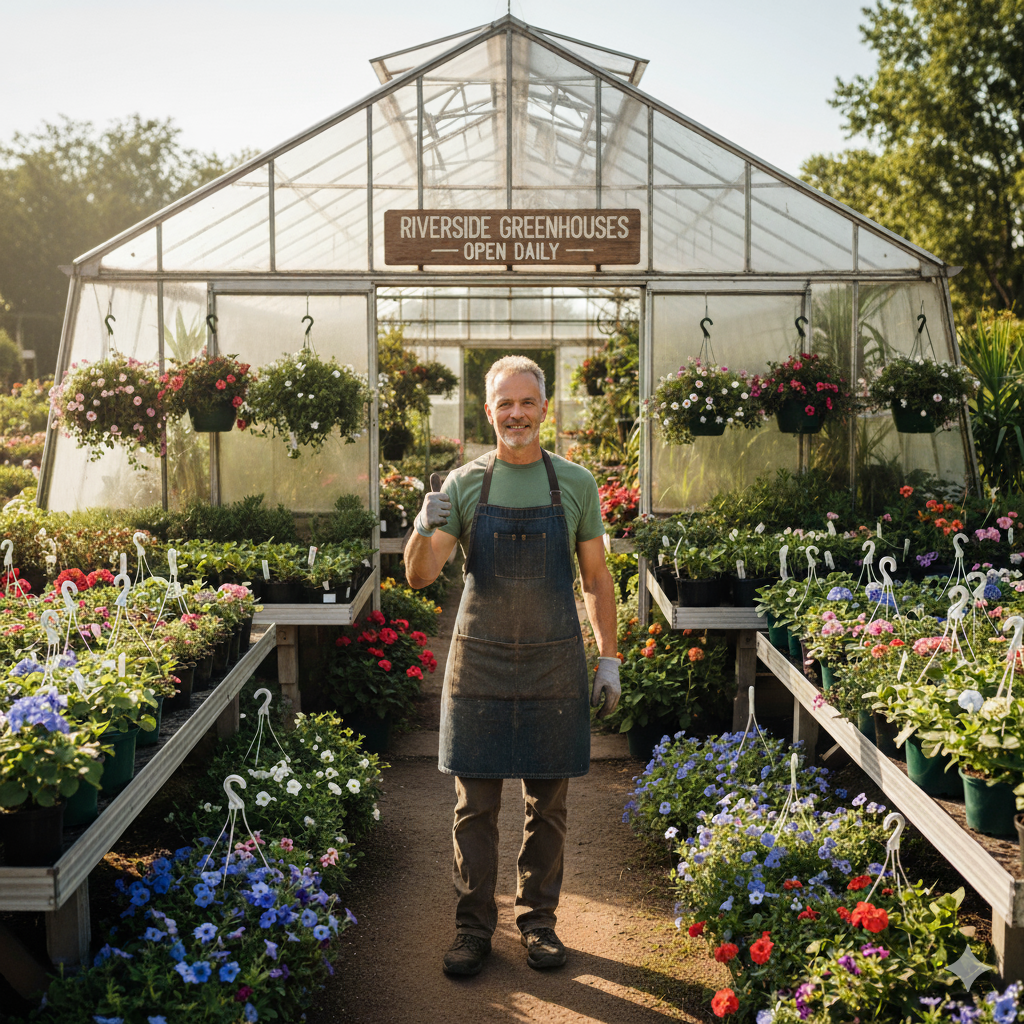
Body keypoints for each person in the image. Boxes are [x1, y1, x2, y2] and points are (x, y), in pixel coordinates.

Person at [404, 354, 621, 978]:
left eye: (527, 403)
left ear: (543, 409)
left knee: (547, 806)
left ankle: (538, 922)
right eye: (506, 404)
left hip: (554, 663)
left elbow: (596, 578)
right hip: (480, 663)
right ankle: (473, 929)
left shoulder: (575, 483)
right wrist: (422, 527)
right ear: (489, 410)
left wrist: (609, 657)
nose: (516, 414)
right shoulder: (465, 484)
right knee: (474, 807)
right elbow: (420, 576)